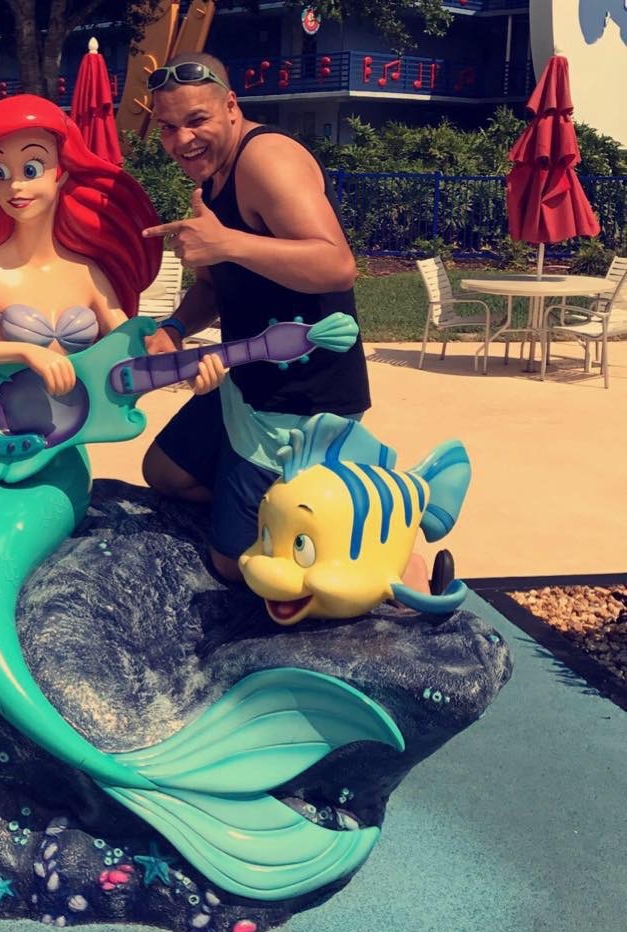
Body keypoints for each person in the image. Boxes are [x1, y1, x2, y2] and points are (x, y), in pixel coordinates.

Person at [140, 54, 447, 596]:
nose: (182, 139)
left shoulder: (268, 160)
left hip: (302, 398)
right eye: (168, 127)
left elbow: (337, 264)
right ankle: (293, 513)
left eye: (196, 120)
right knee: (163, 472)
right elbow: (214, 287)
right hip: (246, 382)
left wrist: (226, 242)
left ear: (231, 106)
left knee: (233, 565)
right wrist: (174, 328)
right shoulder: (210, 183)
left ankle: (369, 543)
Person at [0, 94, 162, 394]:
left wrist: (190, 367)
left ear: (61, 173)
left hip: (71, 431)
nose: (15, 185)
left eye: (31, 169)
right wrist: (23, 352)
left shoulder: (87, 273)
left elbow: (129, 350)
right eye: (1, 171)